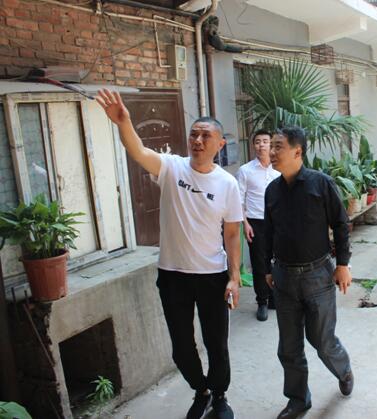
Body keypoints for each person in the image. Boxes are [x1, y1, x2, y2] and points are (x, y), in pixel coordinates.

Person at [95, 89, 242, 419]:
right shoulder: (171, 168)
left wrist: (234, 277)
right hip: (173, 276)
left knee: (216, 343)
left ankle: (220, 396)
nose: (198, 140)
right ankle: (201, 390)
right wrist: (124, 122)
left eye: (206, 136)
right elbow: (138, 151)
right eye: (194, 134)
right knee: (181, 346)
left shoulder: (227, 184)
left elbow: (232, 234)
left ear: (220, 144)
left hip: (212, 275)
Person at [264, 126, 354, 419]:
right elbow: (268, 232)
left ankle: (344, 369)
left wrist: (343, 264)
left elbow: (340, 224)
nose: (271, 152)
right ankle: (298, 400)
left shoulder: (321, 184)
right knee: (289, 347)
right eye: (271, 146)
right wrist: (266, 268)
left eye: (278, 146)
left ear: (297, 151)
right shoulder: (272, 190)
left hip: (318, 276)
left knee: (322, 341)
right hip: (284, 278)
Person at [235, 129, 280, 321]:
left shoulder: (279, 169)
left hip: (277, 222)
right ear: (253, 146)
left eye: (265, 141)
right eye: (258, 141)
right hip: (255, 223)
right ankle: (262, 301)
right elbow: (239, 200)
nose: (261, 145)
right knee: (259, 263)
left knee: (278, 261)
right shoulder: (245, 171)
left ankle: (274, 297)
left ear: (271, 144)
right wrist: (245, 224)